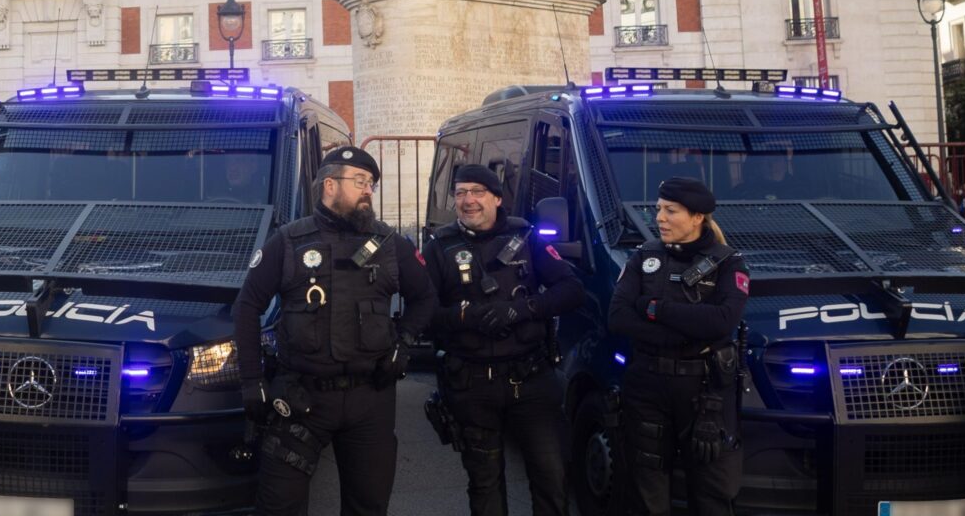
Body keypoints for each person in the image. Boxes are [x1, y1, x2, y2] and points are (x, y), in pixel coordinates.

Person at [233, 146, 437, 516]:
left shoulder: (389, 245)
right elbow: (247, 307)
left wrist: (403, 344)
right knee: (279, 506)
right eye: (360, 181)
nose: (368, 191)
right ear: (330, 184)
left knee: (368, 506)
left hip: (370, 399)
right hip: (301, 398)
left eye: (371, 183)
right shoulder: (289, 242)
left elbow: (425, 298)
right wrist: (252, 380)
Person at [423, 163, 583, 516]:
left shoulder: (526, 238)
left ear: (497, 198)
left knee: (551, 476)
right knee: (484, 484)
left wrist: (523, 309)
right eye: (461, 192)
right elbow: (424, 313)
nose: (468, 201)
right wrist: (465, 317)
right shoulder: (440, 247)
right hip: (471, 383)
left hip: (530, 380)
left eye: (478, 192)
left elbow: (572, 290)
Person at [607, 178, 750, 516]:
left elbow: (721, 321)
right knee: (647, 487)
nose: (660, 218)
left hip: (704, 394)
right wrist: (684, 332)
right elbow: (618, 317)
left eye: (670, 211)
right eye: (658, 209)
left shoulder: (728, 262)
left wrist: (655, 308)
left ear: (697, 216)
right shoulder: (644, 256)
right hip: (647, 385)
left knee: (712, 490)